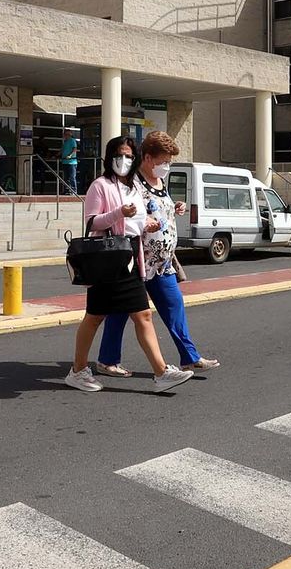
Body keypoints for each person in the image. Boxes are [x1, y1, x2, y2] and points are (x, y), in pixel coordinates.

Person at [65, 136, 194, 394]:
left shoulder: (132, 188)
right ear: (109, 157)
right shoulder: (100, 186)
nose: (123, 161)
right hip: (107, 259)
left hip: (131, 258)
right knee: (94, 317)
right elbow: (92, 222)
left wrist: (149, 225)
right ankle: (77, 371)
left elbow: (137, 223)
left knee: (143, 314)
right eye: (119, 155)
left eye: (128, 156)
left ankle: (161, 373)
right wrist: (119, 214)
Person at [95, 132, 220, 377]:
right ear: (148, 158)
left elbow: (158, 209)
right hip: (137, 260)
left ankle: (189, 357)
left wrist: (175, 208)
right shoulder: (132, 183)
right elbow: (129, 216)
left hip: (162, 262)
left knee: (174, 306)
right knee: (120, 311)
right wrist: (142, 223)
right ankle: (108, 360)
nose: (167, 166)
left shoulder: (159, 182)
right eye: (164, 161)